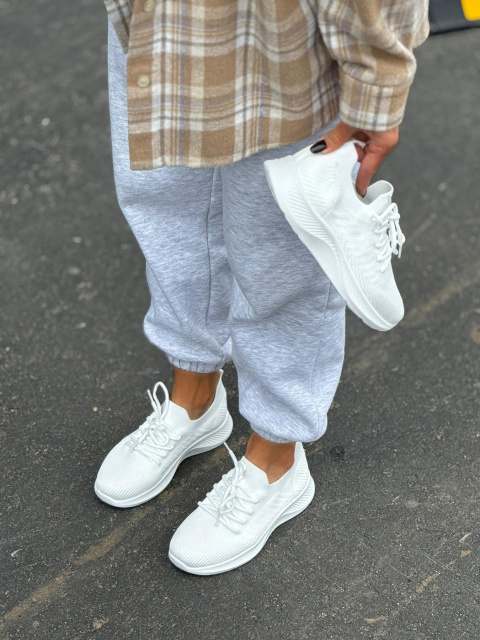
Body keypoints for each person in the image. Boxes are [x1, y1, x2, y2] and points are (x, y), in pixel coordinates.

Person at [96, 0, 429, 575]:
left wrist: (377, 80)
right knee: (168, 205)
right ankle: (195, 401)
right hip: (162, 16)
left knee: (280, 245)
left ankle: (277, 460)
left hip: (279, 29)